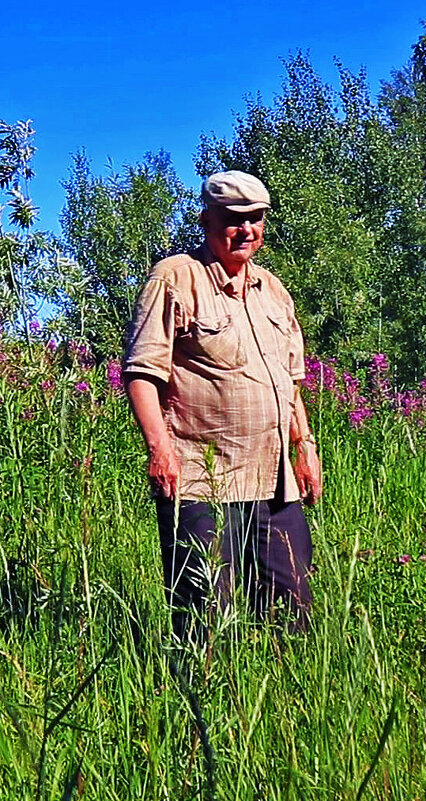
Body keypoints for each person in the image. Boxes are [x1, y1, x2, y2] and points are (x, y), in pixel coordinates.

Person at [123, 170, 322, 640]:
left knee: (293, 605)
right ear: (207, 219)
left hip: (275, 482)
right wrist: (159, 450)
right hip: (201, 479)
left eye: (255, 219)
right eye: (233, 219)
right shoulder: (175, 278)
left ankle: (288, 709)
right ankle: (199, 710)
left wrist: (305, 445)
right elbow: (141, 371)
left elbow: (290, 380)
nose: (245, 229)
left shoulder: (273, 289)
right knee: (205, 612)